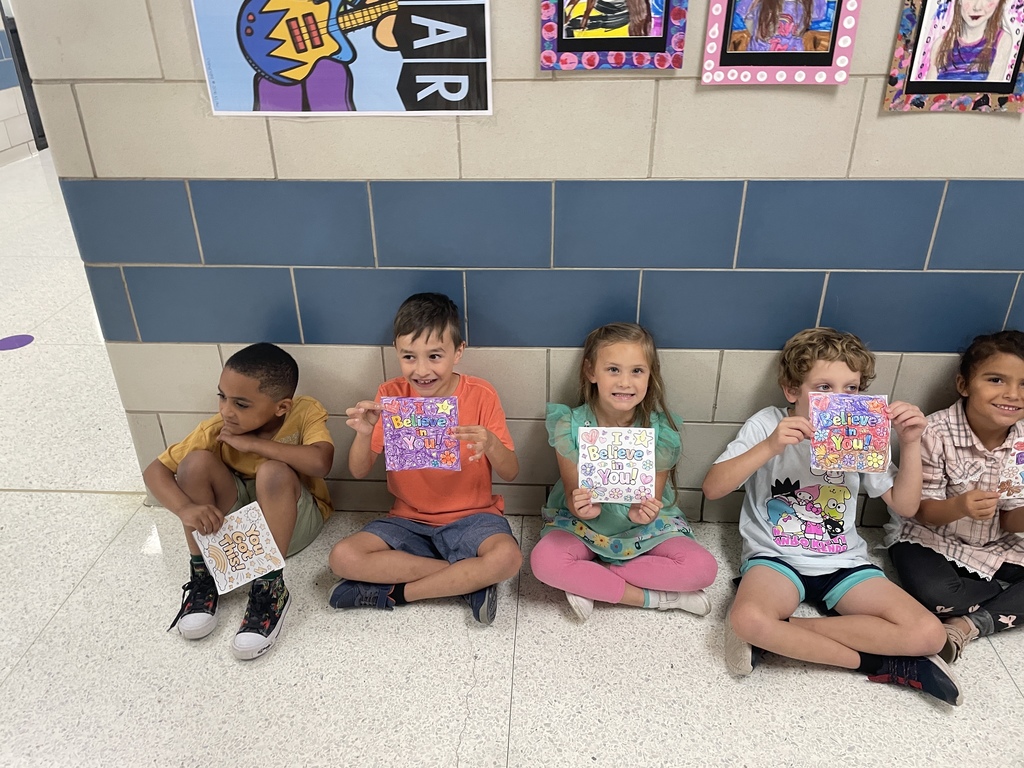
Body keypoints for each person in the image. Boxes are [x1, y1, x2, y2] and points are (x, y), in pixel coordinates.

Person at [702, 327, 963, 705]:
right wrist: (771, 446)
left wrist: (910, 443)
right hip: (775, 558)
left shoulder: (861, 431)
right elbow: (713, 488)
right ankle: (877, 663)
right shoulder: (767, 423)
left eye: (851, 389)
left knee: (930, 634)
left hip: (844, 560)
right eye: (823, 388)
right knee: (749, 620)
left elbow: (905, 506)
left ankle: (783, 633)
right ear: (792, 391)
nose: (839, 399)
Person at [327, 293, 522, 625]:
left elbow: (512, 471)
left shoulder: (481, 395)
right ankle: (468, 581)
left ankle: (399, 593)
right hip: (407, 520)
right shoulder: (390, 396)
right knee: (342, 557)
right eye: (409, 357)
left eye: (434, 356)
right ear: (396, 352)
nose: (421, 370)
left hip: (474, 519)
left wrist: (490, 443)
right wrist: (364, 432)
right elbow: (358, 471)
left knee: (507, 557)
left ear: (458, 352)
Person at [144, 343, 334, 660]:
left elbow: (320, 463)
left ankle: (270, 588)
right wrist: (185, 508)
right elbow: (155, 471)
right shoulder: (217, 429)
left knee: (273, 472)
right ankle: (204, 574)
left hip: (293, 526)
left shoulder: (303, 412)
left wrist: (253, 445)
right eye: (222, 396)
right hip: (236, 540)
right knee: (194, 464)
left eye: (241, 404)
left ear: (281, 407)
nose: (226, 411)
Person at [530, 323, 717, 621]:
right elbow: (573, 491)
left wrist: (641, 514)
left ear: (650, 375)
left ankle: (591, 578)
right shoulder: (569, 426)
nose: (625, 382)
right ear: (591, 371)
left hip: (639, 528)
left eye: (637, 371)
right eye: (613, 370)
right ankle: (655, 598)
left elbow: (651, 500)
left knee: (703, 569)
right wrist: (583, 509)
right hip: (584, 525)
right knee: (544, 562)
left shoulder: (661, 431)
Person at [886, 331, 1024, 663]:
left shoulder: (1021, 442)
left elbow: (1010, 519)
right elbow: (921, 512)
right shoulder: (934, 433)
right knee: (937, 597)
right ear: (964, 385)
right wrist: (960, 506)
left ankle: (967, 625)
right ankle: (997, 600)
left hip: (996, 544)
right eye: (996, 380)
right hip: (928, 538)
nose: (1012, 394)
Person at [925, 0, 1013, 81]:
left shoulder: (1002, 41)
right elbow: (928, 89)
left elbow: (991, 88)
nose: (977, 7)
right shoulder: (940, 44)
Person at [731, 0, 827, 51]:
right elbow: (739, 13)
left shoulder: (812, 4)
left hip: (793, 61)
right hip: (758, 57)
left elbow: (819, 17)